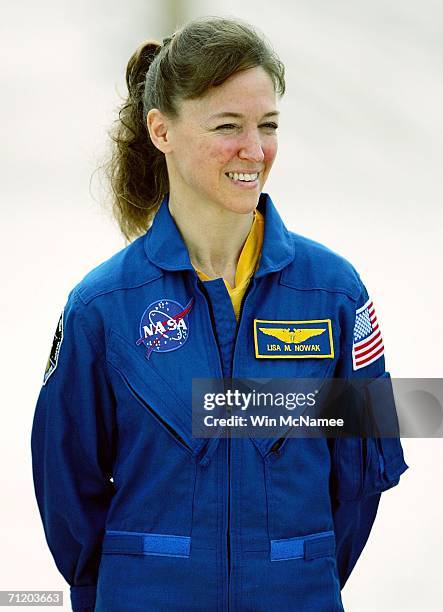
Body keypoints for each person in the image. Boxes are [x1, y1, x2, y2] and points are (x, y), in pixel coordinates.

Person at [31, 16, 408, 612]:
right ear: (162, 131)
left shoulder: (335, 294)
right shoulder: (101, 308)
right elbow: (67, 492)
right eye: (227, 126)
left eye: (268, 125)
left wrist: (297, 572)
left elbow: (361, 477)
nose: (254, 151)